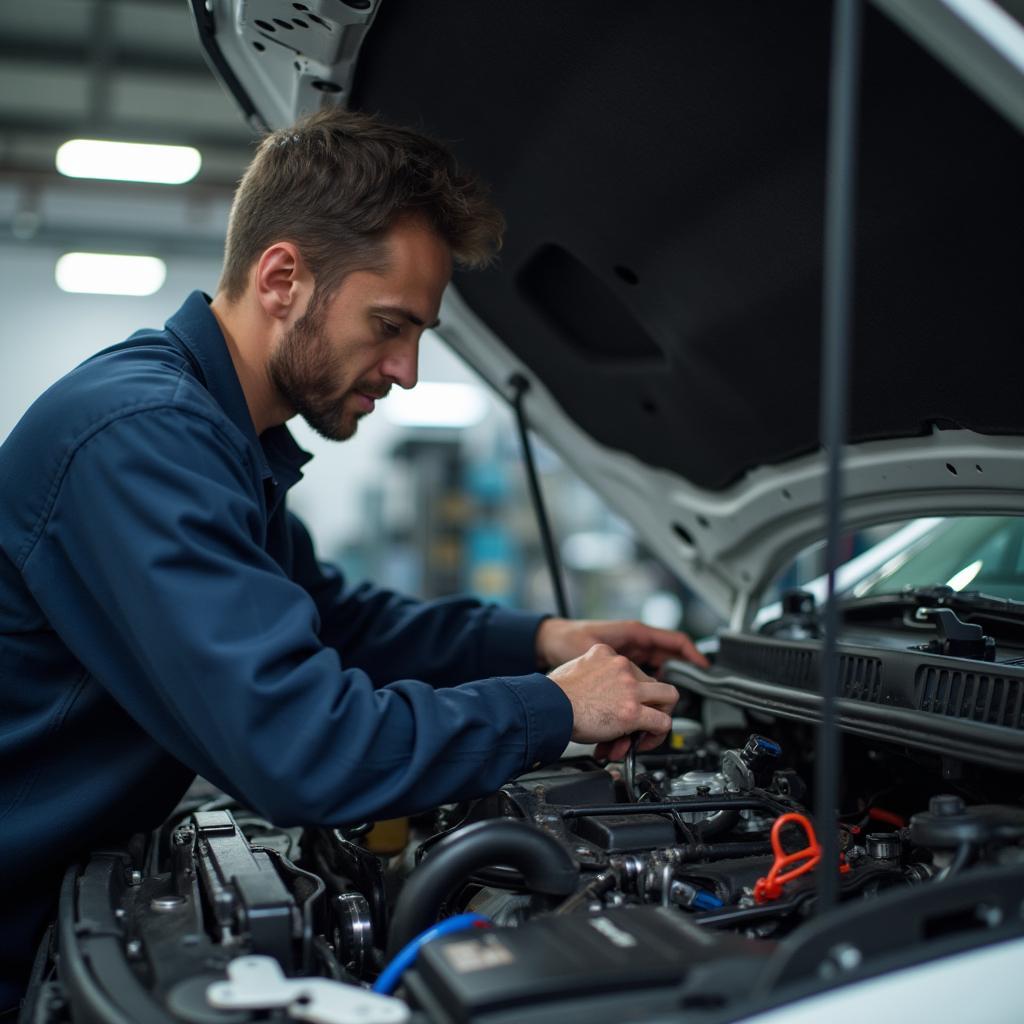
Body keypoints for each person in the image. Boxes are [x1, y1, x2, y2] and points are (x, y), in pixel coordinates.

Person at [0, 107, 707, 1009]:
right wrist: (550, 707)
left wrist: (539, 640)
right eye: (389, 325)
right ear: (283, 278)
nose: (407, 370)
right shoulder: (143, 436)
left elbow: (340, 623)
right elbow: (300, 748)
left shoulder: (216, 435)